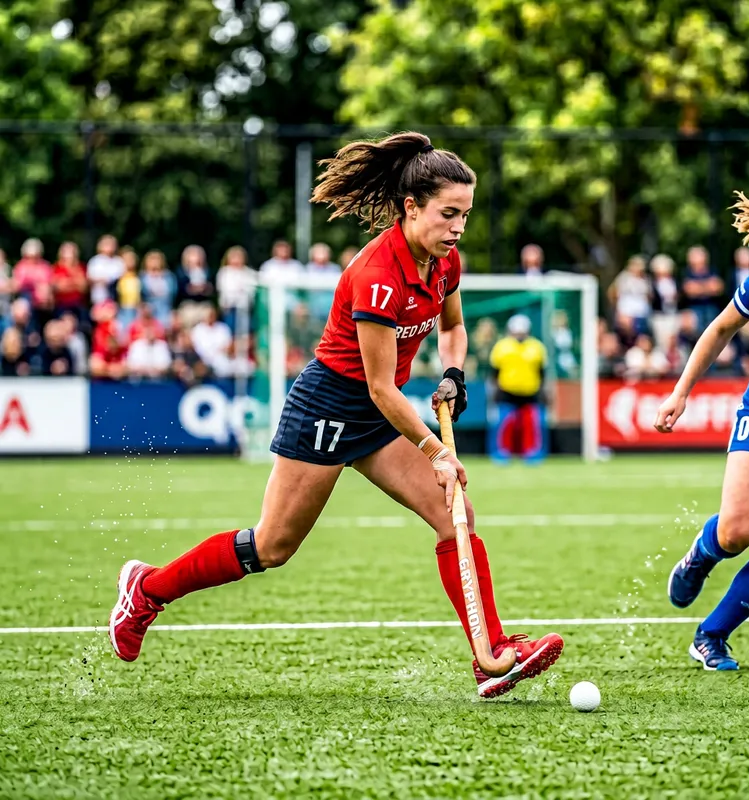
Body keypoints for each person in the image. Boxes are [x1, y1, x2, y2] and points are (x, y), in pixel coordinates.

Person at [108, 131, 563, 698]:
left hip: (379, 415)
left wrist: (453, 372)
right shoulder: (377, 275)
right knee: (271, 546)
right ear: (411, 206)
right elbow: (377, 386)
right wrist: (436, 451)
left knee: (456, 515)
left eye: (465, 215)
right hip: (330, 407)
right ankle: (146, 590)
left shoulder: (446, 264)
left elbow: (452, 328)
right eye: (448, 214)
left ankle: (491, 655)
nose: (457, 228)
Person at [656, 175, 749, 671]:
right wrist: (680, 393)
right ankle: (700, 554)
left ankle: (711, 636)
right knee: (739, 531)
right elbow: (718, 330)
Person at [487, 314, 548, 463]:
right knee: (504, 424)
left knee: (532, 424)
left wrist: (543, 391)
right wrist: (494, 391)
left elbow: (542, 373)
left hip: (530, 392)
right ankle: (501, 453)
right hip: (507, 392)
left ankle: (533, 453)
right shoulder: (501, 347)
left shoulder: (537, 347)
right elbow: (494, 372)